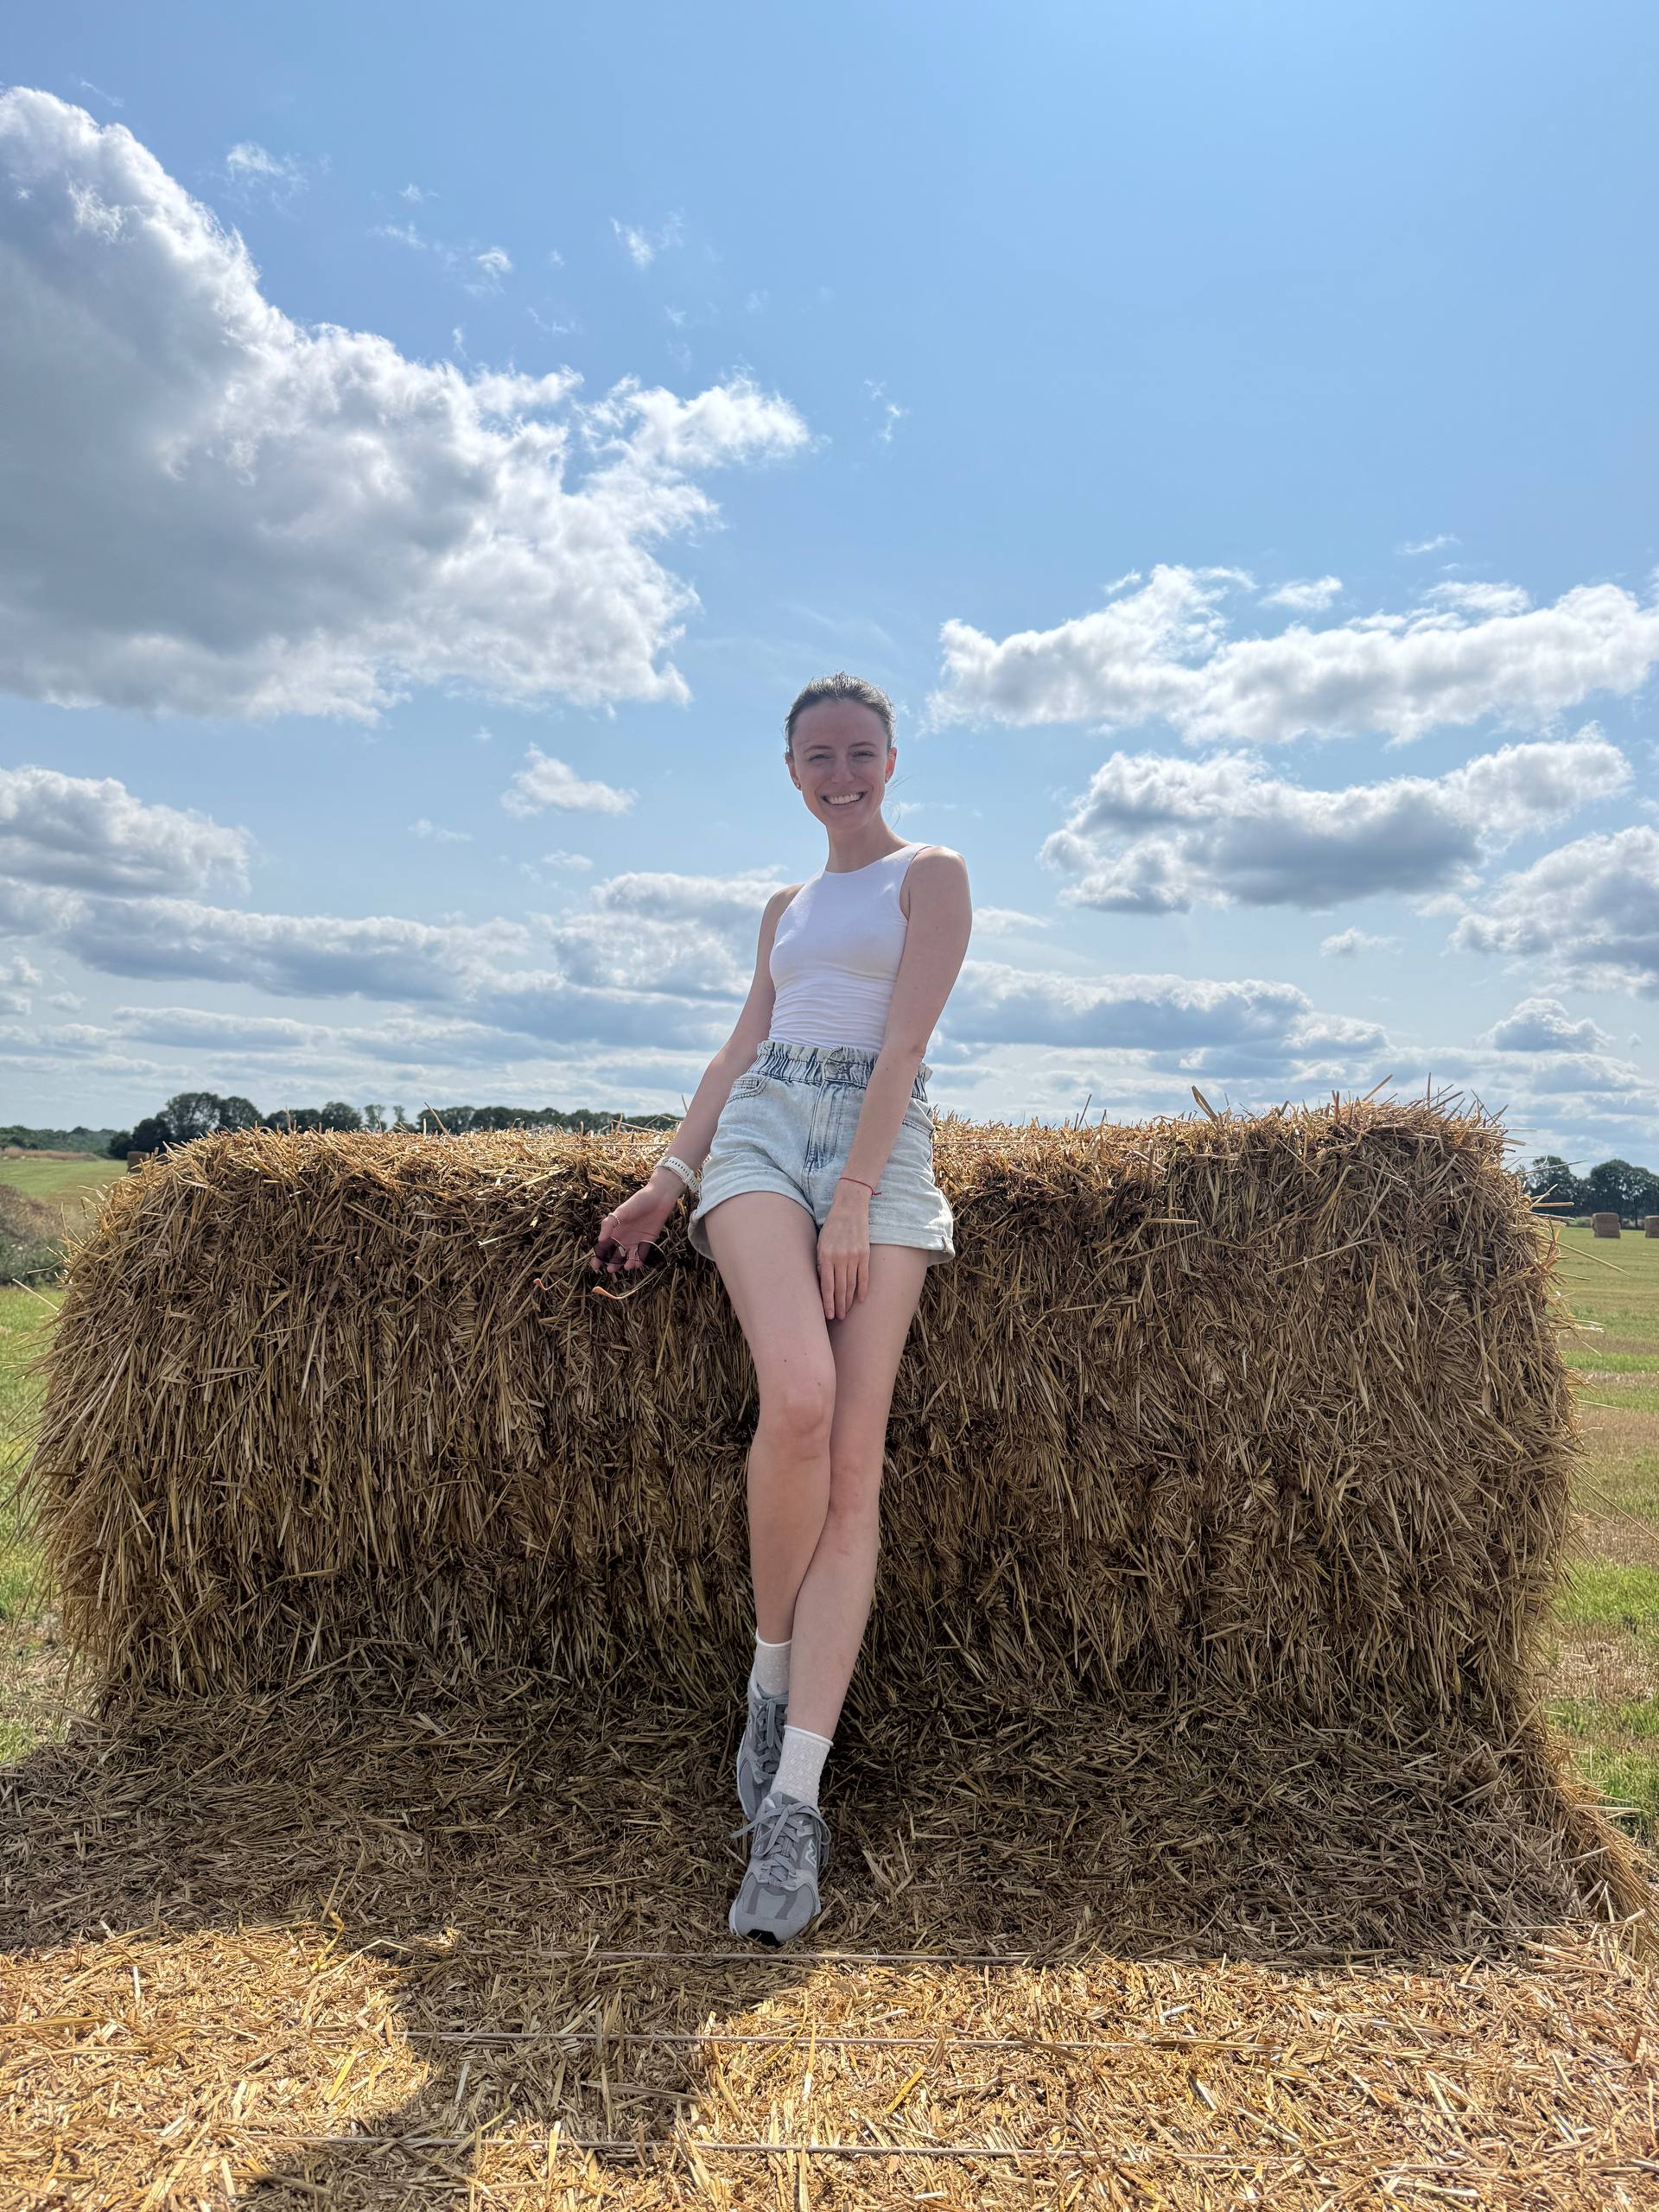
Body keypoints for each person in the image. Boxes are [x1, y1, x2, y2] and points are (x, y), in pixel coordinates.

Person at [588, 671, 972, 1943]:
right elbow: (738, 1048)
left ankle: (794, 1795)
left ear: (892, 761)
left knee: (853, 1465)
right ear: (792, 769)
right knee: (799, 1398)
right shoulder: (784, 909)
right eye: (818, 756)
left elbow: (904, 1045)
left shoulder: (931, 875)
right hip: (764, 1128)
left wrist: (856, 1195)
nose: (840, 773)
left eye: (861, 751)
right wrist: (666, 1181)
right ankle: (768, 1671)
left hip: (881, 1145)